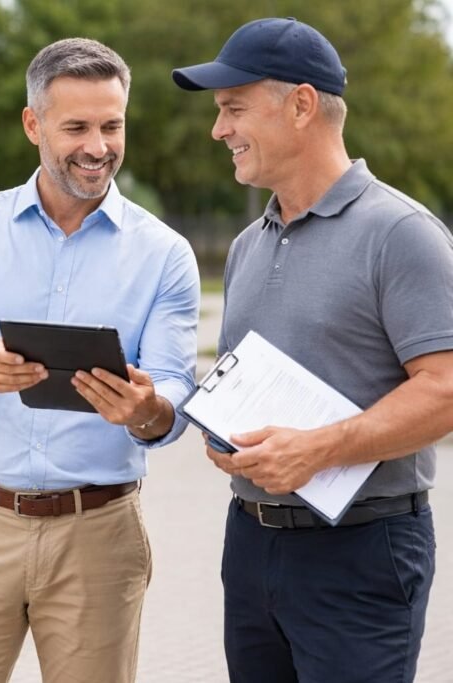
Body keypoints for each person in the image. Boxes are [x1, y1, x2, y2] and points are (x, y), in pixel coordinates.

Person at [0, 37, 199, 682]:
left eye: (112, 126)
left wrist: (147, 409)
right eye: (77, 127)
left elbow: (177, 391)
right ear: (33, 125)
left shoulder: (165, 254)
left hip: (100, 534)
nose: (98, 146)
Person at [172, 17, 453, 683]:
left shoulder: (401, 233)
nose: (218, 130)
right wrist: (225, 435)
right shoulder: (248, 245)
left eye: (234, 108)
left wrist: (318, 449)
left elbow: (445, 388)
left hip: (362, 551)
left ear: (301, 105)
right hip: (250, 543)